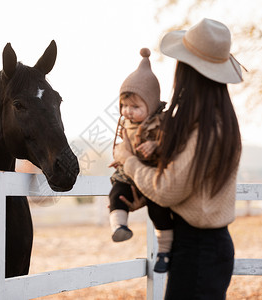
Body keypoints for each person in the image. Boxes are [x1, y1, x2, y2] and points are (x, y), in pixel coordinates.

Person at [113, 18, 244, 299]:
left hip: (199, 249)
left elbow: (167, 188)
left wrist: (129, 160)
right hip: (204, 246)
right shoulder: (216, 121)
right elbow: (186, 187)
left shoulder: (206, 130)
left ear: (189, 72)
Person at [108, 48, 174, 273]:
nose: (128, 111)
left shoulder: (160, 122)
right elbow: (121, 147)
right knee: (116, 193)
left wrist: (156, 145)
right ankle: (119, 226)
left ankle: (165, 250)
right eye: (124, 106)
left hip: (151, 174)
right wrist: (119, 157)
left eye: (135, 107)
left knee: (158, 211)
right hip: (129, 174)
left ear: (152, 105)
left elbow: (171, 142)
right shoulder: (125, 125)